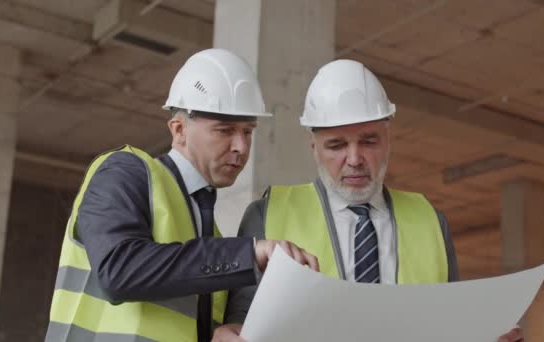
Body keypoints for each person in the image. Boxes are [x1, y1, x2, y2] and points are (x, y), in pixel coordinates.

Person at [214, 60, 523, 342]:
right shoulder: (266, 215)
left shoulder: (431, 220)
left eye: (369, 141)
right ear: (313, 146)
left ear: (388, 139)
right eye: (336, 145)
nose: (354, 159)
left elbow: (450, 326)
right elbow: (243, 321)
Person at [44, 48, 318, 342]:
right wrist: (248, 253)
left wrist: (218, 333)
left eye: (248, 131)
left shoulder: (208, 234)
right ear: (179, 129)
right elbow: (118, 270)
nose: (240, 146)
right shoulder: (126, 171)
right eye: (225, 130)